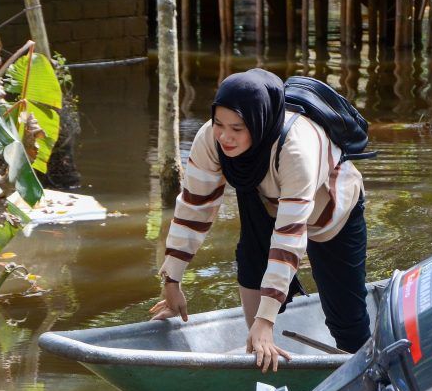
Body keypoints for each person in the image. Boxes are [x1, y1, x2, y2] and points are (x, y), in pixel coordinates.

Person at [150, 69, 370, 371]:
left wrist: (266, 320)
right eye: (219, 124)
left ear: (259, 122)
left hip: (331, 215)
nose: (225, 136)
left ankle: (363, 376)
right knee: (251, 261)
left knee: (346, 319)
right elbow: (194, 205)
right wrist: (172, 280)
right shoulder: (211, 139)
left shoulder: (296, 149)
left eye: (237, 128)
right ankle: (258, 353)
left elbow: (289, 237)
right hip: (266, 200)